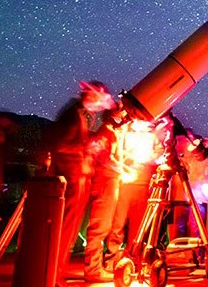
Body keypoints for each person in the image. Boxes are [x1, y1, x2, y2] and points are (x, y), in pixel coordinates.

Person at [43, 80, 117, 287]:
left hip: (78, 179)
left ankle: (56, 273)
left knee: (69, 230)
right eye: (100, 101)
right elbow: (61, 146)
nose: (102, 107)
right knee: (65, 230)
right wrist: (85, 152)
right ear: (92, 96)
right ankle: (53, 275)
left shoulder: (79, 115)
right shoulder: (73, 115)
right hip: (73, 179)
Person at [106, 114, 170, 268]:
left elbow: (160, 153)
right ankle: (112, 256)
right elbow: (115, 153)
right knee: (118, 222)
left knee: (138, 223)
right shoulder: (125, 132)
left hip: (143, 182)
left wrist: (147, 158)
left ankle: (133, 255)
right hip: (125, 182)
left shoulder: (152, 136)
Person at [82, 102, 126, 282]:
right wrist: (123, 170)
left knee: (104, 225)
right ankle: (92, 270)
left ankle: (95, 267)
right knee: (99, 226)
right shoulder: (106, 131)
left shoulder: (113, 131)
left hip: (110, 180)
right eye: (122, 108)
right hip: (105, 181)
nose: (125, 112)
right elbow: (103, 157)